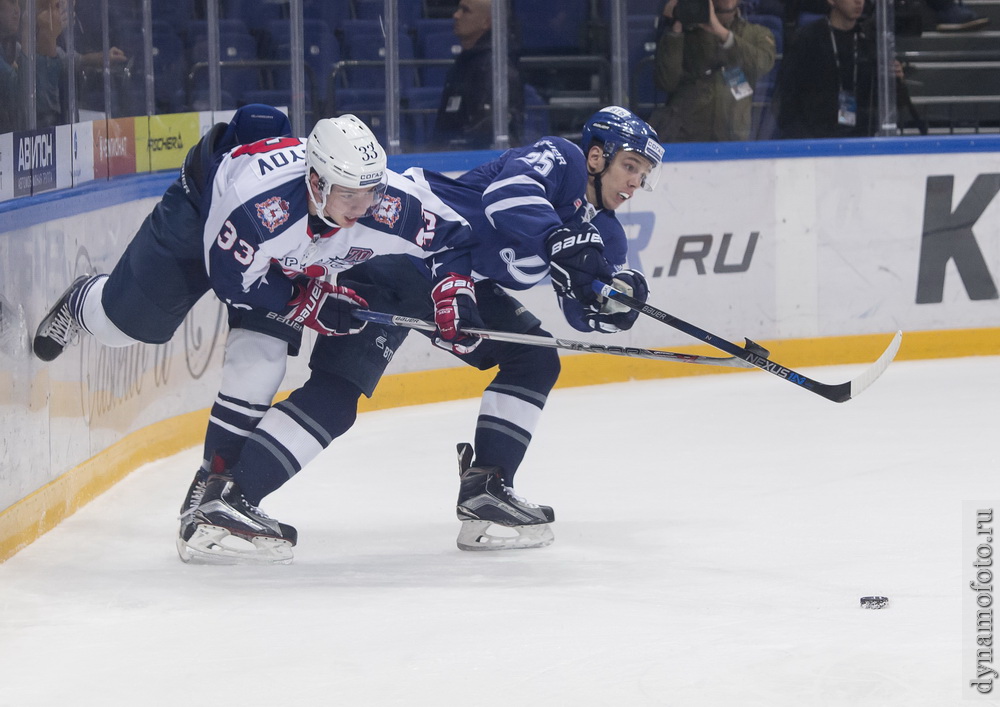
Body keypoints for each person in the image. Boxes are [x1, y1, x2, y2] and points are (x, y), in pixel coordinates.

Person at [178, 106, 663, 564]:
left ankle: (487, 489)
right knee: (337, 392)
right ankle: (231, 497)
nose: (636, 181)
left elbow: (583, 313)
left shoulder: (607, 234)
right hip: (404, 256)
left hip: (461, 283)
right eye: (630, 165)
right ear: (598, 156)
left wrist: (614, 302)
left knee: (534, 359)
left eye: (643, 173)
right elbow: (508, 197)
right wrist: (562, 241)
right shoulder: (564, 160)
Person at [650, 0, 776, 142]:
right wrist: (676, 25)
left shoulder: (756, 34)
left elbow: (763, 64)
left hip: (733, 134)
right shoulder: (686, 34)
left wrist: (722, 33)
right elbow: (666, 82)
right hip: (686, 133)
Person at [775, 0, 903, 138]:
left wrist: (896, 82)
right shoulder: (807, 39)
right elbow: (786, 99)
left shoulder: (869, 42)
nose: (859, 2)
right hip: (816, 140)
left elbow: (884, 104)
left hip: (862, 139)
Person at [431, 0, 524, 150]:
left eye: (465, 10)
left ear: (486, 22)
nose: (456, 15)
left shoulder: (495, 69)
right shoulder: (464, 63)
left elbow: (486, 132)